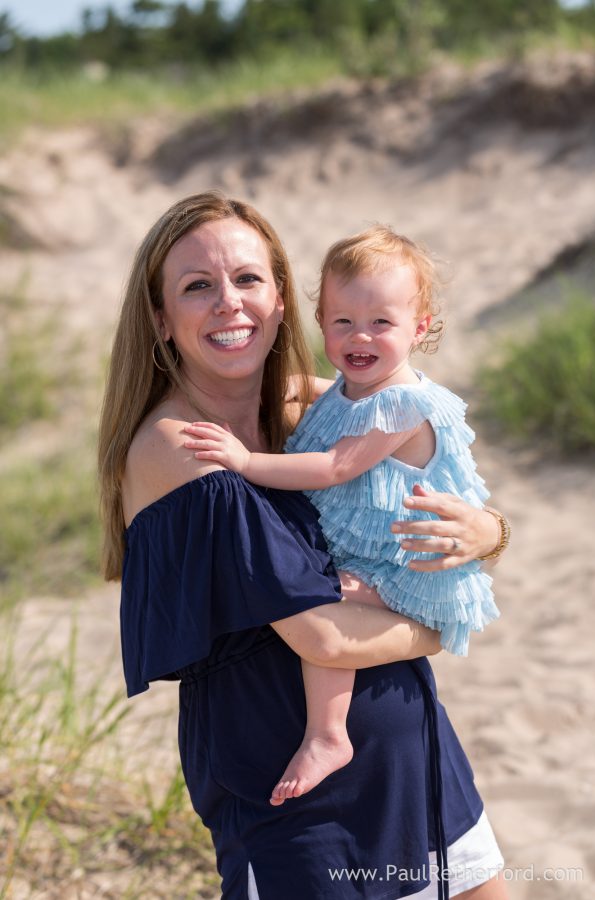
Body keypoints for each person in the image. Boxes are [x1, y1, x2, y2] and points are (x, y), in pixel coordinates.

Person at [98, 191, 509, 900]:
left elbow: (449, 475)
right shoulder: (179, 448)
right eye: (198, 286)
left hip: (418, 762)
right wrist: (440, 624)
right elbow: (327, 637)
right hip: (297, 811)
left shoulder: (320, 407)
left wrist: (490, 534)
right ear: (161, 320)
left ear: (283, 299)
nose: (229, 302)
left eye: (248, 279)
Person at [182, 225, 504, 807]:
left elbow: (334, 466)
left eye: (381, 322)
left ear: (419, 327)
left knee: (338, 597)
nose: (360, 336)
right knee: (332, 594)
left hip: (405, 562)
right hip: (373, 550)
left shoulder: (401, 401)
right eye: (342, 322)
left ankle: (329, 734)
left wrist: (244, 460)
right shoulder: (348, 388)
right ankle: (328, 732)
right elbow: (307, 400)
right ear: (319, 320)